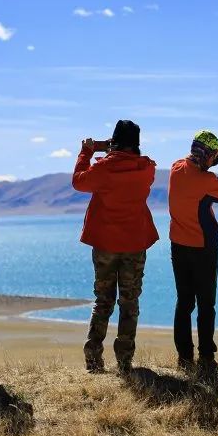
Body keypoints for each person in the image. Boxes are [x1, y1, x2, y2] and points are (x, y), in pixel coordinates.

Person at [72, 120, 159, 375]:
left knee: (103, 300)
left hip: (105, 245)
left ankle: (93, 360)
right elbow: (140, 164)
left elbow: (79, 182)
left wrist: (87, 152)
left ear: (114, 141)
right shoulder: (146, 169)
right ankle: (124, 362)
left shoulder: (104, 168)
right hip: (135, 244)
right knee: (129, 302)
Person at [168, 130, 218, 379]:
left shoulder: (176, 168)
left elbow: (196, 164)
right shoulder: (207, 181)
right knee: (206, 304)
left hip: (178, 246)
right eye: (214, 154)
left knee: (184, 303)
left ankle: (184, 358)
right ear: (208, 154)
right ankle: (207, 358)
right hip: (203, 248)